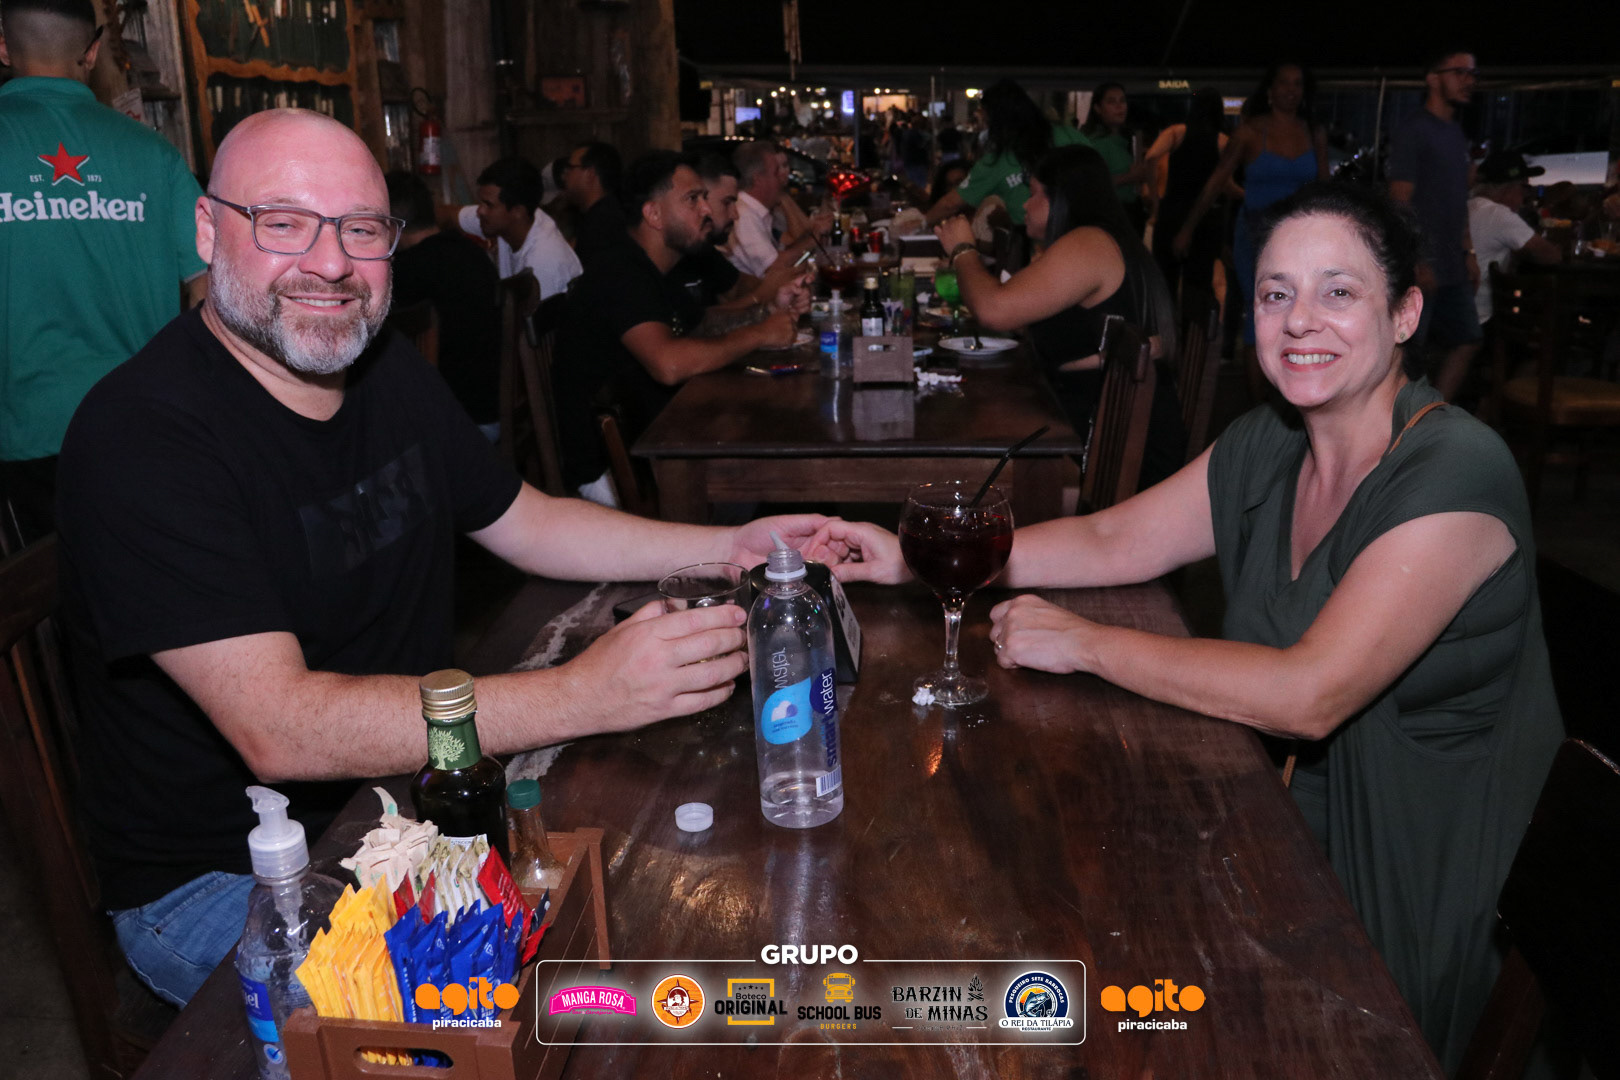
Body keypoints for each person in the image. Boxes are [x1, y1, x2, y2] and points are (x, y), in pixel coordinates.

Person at [54, 110, 854, 1008]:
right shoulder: (142, 437)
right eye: (283, 223)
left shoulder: (382, 365)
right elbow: (278, 726)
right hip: (233, 884)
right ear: (208, 231)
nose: (330, 264)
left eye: (361, 230)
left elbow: (528, 522)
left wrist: (731, 545)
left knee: (687, 925)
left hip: (410, 810)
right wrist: (581, 694)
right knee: (539, 1015)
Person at [833, 182, 1563, 1075]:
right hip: (1281, 839)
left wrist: (1085, 643)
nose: (1300, 320)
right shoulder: (1271, 440)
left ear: (1406, 314)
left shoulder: (1456, 470)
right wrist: (922, 557)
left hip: (1412, 901)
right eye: (1276, 293)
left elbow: (1309, 695)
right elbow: (1113, 539)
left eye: (1338, 292)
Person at [0, 0, 207, 544]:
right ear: (92, 52)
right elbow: (211, 287)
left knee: (45, 587)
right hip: (145, 423)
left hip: (22, 436)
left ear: (2, 47)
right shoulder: (154, 153)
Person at [932, 144, 1186, 490]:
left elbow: (993, 310)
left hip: (1118, 457)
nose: (1025, 204)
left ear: (1063, 198)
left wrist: (963, 249)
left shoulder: (1090, 244)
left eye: (1034, 193)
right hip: (1095, 429)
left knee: (965, 455)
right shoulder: (1097, 240)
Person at [555, 151, 807, 493]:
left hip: (655, 438)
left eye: (704, 197)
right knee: (783, 473)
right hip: (616, 473)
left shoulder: (657, 267)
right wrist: (760, 334)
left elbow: (701, 324)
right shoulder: (621, 272)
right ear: (653, 214)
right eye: (692, 199)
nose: (706, 210)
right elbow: (669, 365)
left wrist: (767, 310)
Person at [1173, 62, 1329, 399]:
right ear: (1270, 91)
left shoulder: (1313, 132)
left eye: (1297, 83)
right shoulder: (1249, 132)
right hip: (1257, 236)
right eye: (1284, 83)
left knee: (1298, 311)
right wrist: (1187, 229)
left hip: (1301, 240)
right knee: (1260, 312)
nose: (1291, 90)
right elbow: (1215, 183)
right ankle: (1259, 404)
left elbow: (1325, 189)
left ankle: (1290, 394)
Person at [1388, 48, 1483, 402]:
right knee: (1409, 356)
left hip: (1452, 264)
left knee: (1468, 339)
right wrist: (1415, 260)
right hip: (1423, 266)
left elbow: (1459, 200)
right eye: (1460, 72)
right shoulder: (1414, 130)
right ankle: (1398, 425)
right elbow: (1399, 200)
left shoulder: (1456, 133)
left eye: (1472, 74)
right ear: (1432, 78)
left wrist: (1469, 252)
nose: (1469, 81)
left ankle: (1430, 416)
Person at [386, 170, 501, 438]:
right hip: (494, 408)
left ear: (389, 224)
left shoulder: (406, 273)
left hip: (454, 426)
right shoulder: (472, 253)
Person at [925, 79, 1087, 229]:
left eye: (987, 119)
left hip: (1033, 240)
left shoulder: (996, 162)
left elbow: (951, 204)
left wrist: (922, 222)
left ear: (997, 121)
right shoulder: (1069, 135)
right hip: (1082, 230)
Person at [1144, 87, 1233, 320]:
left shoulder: (1176, 132)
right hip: (1206, 218)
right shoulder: (1222, 141)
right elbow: (1226, 185)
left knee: (1165, 280)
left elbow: (1151, 157)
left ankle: (1166, 333)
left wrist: (1155, 198)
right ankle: (1193, 336)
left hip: (1171, 211)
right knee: (1198, 284)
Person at [457, 155, 581, 297]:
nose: (480, 211)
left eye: (488, 205)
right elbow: (447, 215)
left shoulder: (542, 264)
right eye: (481, 202)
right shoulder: (518, 217)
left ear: (518, 211)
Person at [1467, 150, 1561, 332]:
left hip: (1457, 315)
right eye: (1525, 187)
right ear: (1508, 188)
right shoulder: (1499, 214)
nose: (1526, 196)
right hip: (1483, 320)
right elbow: (1551, 256)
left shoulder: (1468, 206)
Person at [726, 141, 829, 277]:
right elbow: (774, 267)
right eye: (775, 173)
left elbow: (784, 252)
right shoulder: (744, 215)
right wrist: (813, 239)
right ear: (758, 179)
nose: (781, 178)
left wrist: (814, 234)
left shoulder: (755, 211)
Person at [1080, 82, 1151, 236]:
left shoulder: (1127, 139)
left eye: (1122, 101)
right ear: (1098, 108)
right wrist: (1129, 177)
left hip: (1131, 212)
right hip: (1109, 215)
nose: (1120, 107)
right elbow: (1089, 184)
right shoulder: (1095, 142)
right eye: (1112, 102)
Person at [560, 140, 626, 264]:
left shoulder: (603, 225)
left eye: (570, 168)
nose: (564, 176)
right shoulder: (598, 215)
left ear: (590, 174)